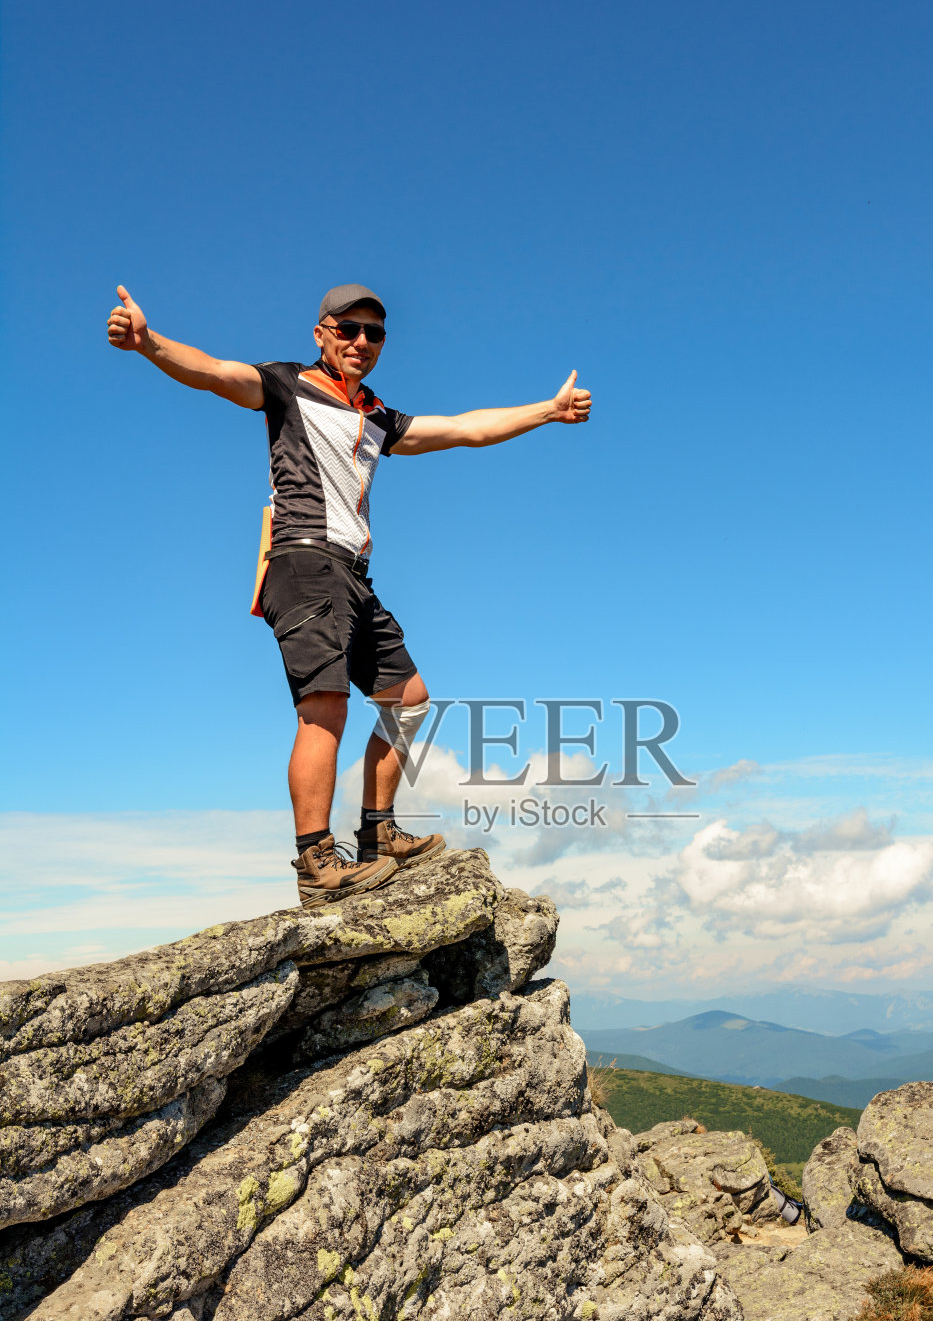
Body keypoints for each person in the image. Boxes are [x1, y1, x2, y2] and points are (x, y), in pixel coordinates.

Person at [107, 282, 592, 908]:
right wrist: (148, 343)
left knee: (409, 700)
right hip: (304, 563)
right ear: (321, 334)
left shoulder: (377, 415)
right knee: (325, 706)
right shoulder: (285, 385)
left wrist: (545, 411)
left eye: (375, 333)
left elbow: (466, 429)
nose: (362, 342)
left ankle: (376, 834)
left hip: (355, 578)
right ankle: (315, 859)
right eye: (348, 329)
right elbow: (213, 373)